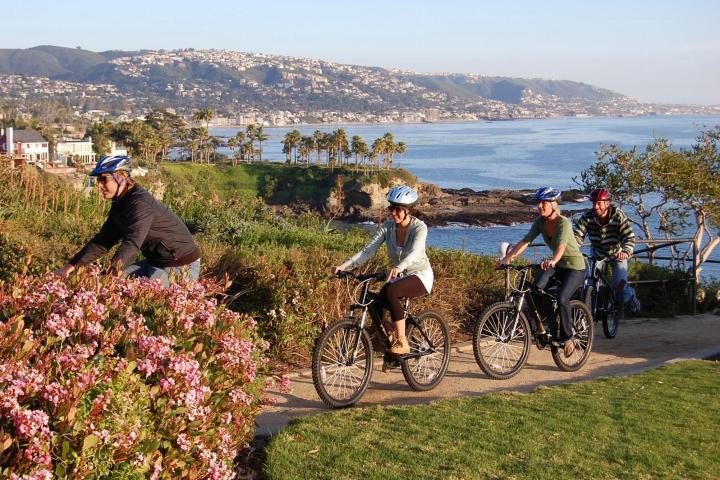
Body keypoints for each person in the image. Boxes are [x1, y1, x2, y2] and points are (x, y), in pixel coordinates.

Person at [54, 155, 201, 286]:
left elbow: (132, 243)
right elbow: (102, 242)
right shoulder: (120, 203)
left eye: (104, 179)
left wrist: (112, 273)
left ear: (122, 177)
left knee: (144, 301)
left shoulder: (139, 203)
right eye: (98, 180)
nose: (99, 185)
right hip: (155, 261)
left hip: (180, 264)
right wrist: (69, 267)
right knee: (109, 287)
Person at [331, 185, 433, 356]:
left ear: (408, 210)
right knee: (376, 302)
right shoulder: (388, 226)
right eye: (390, 208)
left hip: (420, 275)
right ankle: (389, 340)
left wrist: (399, 267)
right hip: (400, 275)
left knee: (391, 291)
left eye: (397, 209)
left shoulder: (419, 228)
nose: (393, 213)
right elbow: (367, 250)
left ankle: (402, 341)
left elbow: (415, 253)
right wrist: (343, 266)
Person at [497, 187, 586, 358]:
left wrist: (552, 260)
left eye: (544, 203)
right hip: (558, 266)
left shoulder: (563, 223)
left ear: (553, 205)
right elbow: (525, 241)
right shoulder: (540, 222)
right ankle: (548, 329)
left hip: (575, 267)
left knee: (562, 297)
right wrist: (507, 258)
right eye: (538, 202)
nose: (540, 206)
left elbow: (561, 247)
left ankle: (568, 338)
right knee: (537, 288)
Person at [573, 187, 640, 312]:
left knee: (619, 286)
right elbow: (577, 235)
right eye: (594, 203)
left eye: (599, 203)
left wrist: (626, 251)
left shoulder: (618, 216)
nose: (596, 206)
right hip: (597, 253)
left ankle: (631, 296)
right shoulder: (587, 217)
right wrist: (573, 251)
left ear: (607, 203)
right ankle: (588, 314)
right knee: (589, 282)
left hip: (617, 253)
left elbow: (629, 237)